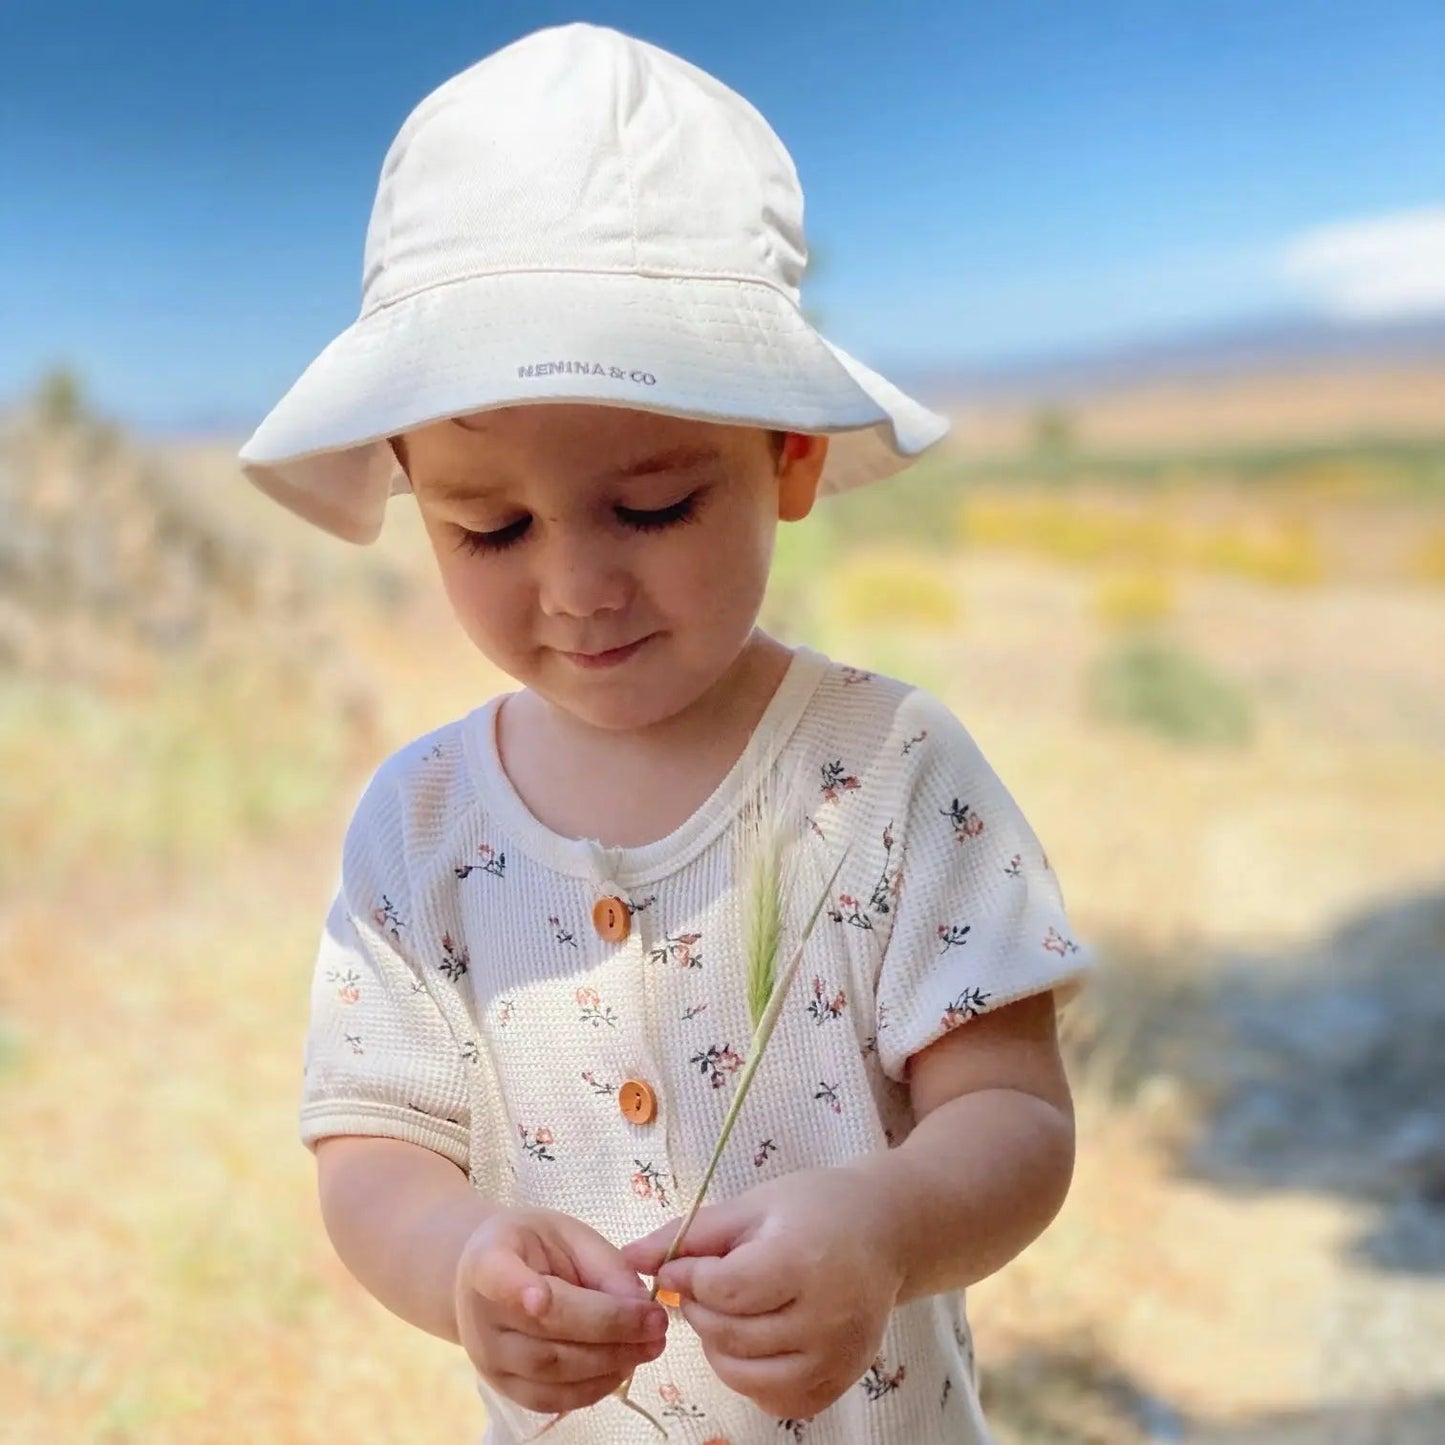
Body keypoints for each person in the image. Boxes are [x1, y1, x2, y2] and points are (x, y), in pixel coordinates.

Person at [239, 22, 1092, 1445]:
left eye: (651, 506)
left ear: (790, 457)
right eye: (489, 525)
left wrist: (883, 1226)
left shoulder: (887, 773)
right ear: (408, 489)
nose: (577, 587)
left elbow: (1015, 1116)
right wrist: (460, 1263)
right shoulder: (425, 819)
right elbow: (374, 1148)